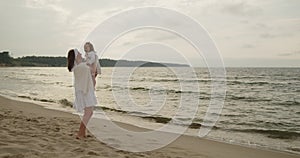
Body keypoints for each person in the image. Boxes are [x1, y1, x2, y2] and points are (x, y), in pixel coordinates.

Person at [67, 48, 97, 139]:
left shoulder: (78, 67)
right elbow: (93, 70)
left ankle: (83, 132)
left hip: (84, 90)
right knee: (89, 113)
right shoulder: (81, 67)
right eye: (79, 53)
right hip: (85, 91)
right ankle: (80, 132)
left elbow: (92, 74)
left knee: (89, 112)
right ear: (76, 56)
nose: (81, 54)